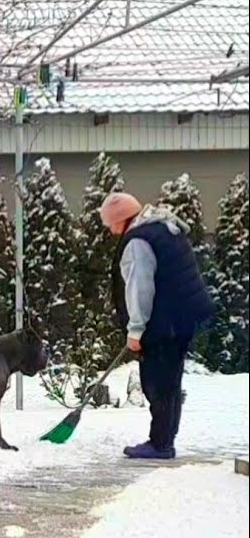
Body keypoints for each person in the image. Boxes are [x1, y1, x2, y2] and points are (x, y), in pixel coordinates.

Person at [99, 192, 214, 460]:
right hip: (182, 317)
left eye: (110, 224)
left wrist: (136, 330)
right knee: (171, 381)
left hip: (164, 322)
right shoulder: (161, 228)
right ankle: (165, 440)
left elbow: (140, 289)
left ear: (120, 219)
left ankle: (160, 444)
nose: (111, 231)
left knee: (157, 383)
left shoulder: (138, 242)